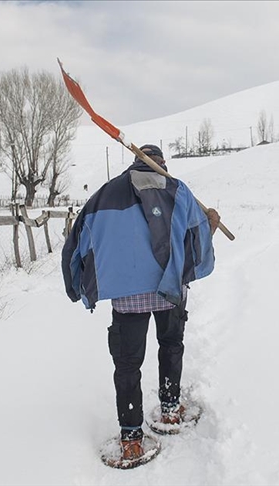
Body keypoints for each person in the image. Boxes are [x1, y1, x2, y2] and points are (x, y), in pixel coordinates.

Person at [62, 144, 220, 462]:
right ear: (162, 163)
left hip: (126, 298)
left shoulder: (104, 195)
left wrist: (78, 286)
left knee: (127, 364)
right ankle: (171, 409)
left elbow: (77, 241)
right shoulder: (178, 190)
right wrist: (211, 224)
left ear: (135, 162)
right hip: (170, 291)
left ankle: (132, 438)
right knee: (171, 345)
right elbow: (197, 241)